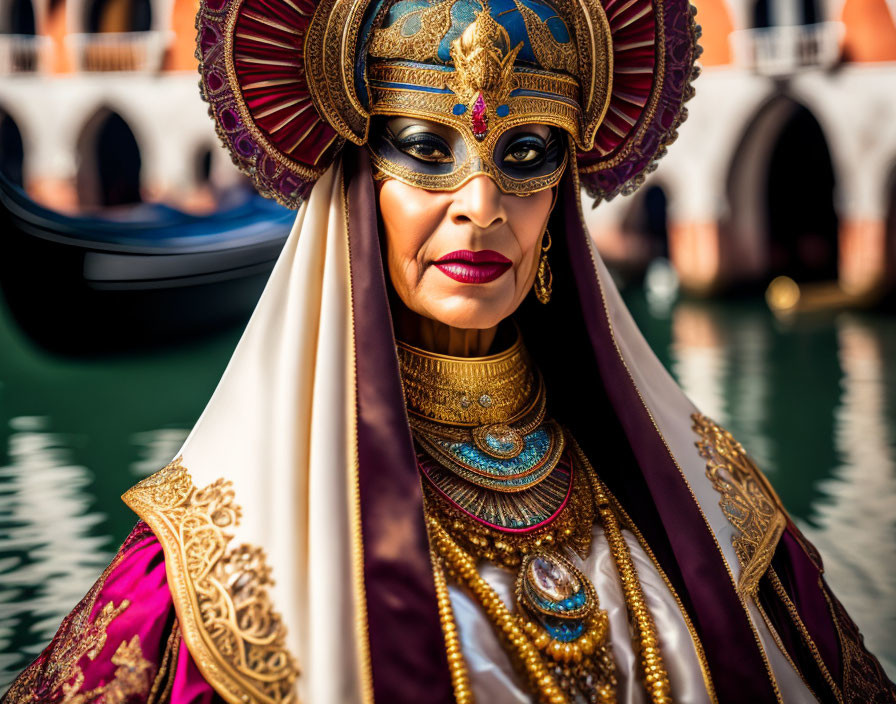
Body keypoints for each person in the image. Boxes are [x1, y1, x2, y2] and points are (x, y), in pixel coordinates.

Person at [3, 0, 894, 701]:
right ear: (359, 188)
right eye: (428, 149)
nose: (481, 200)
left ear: (563, 201)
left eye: (528, 152)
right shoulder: (206, 571)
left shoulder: (718, 511)